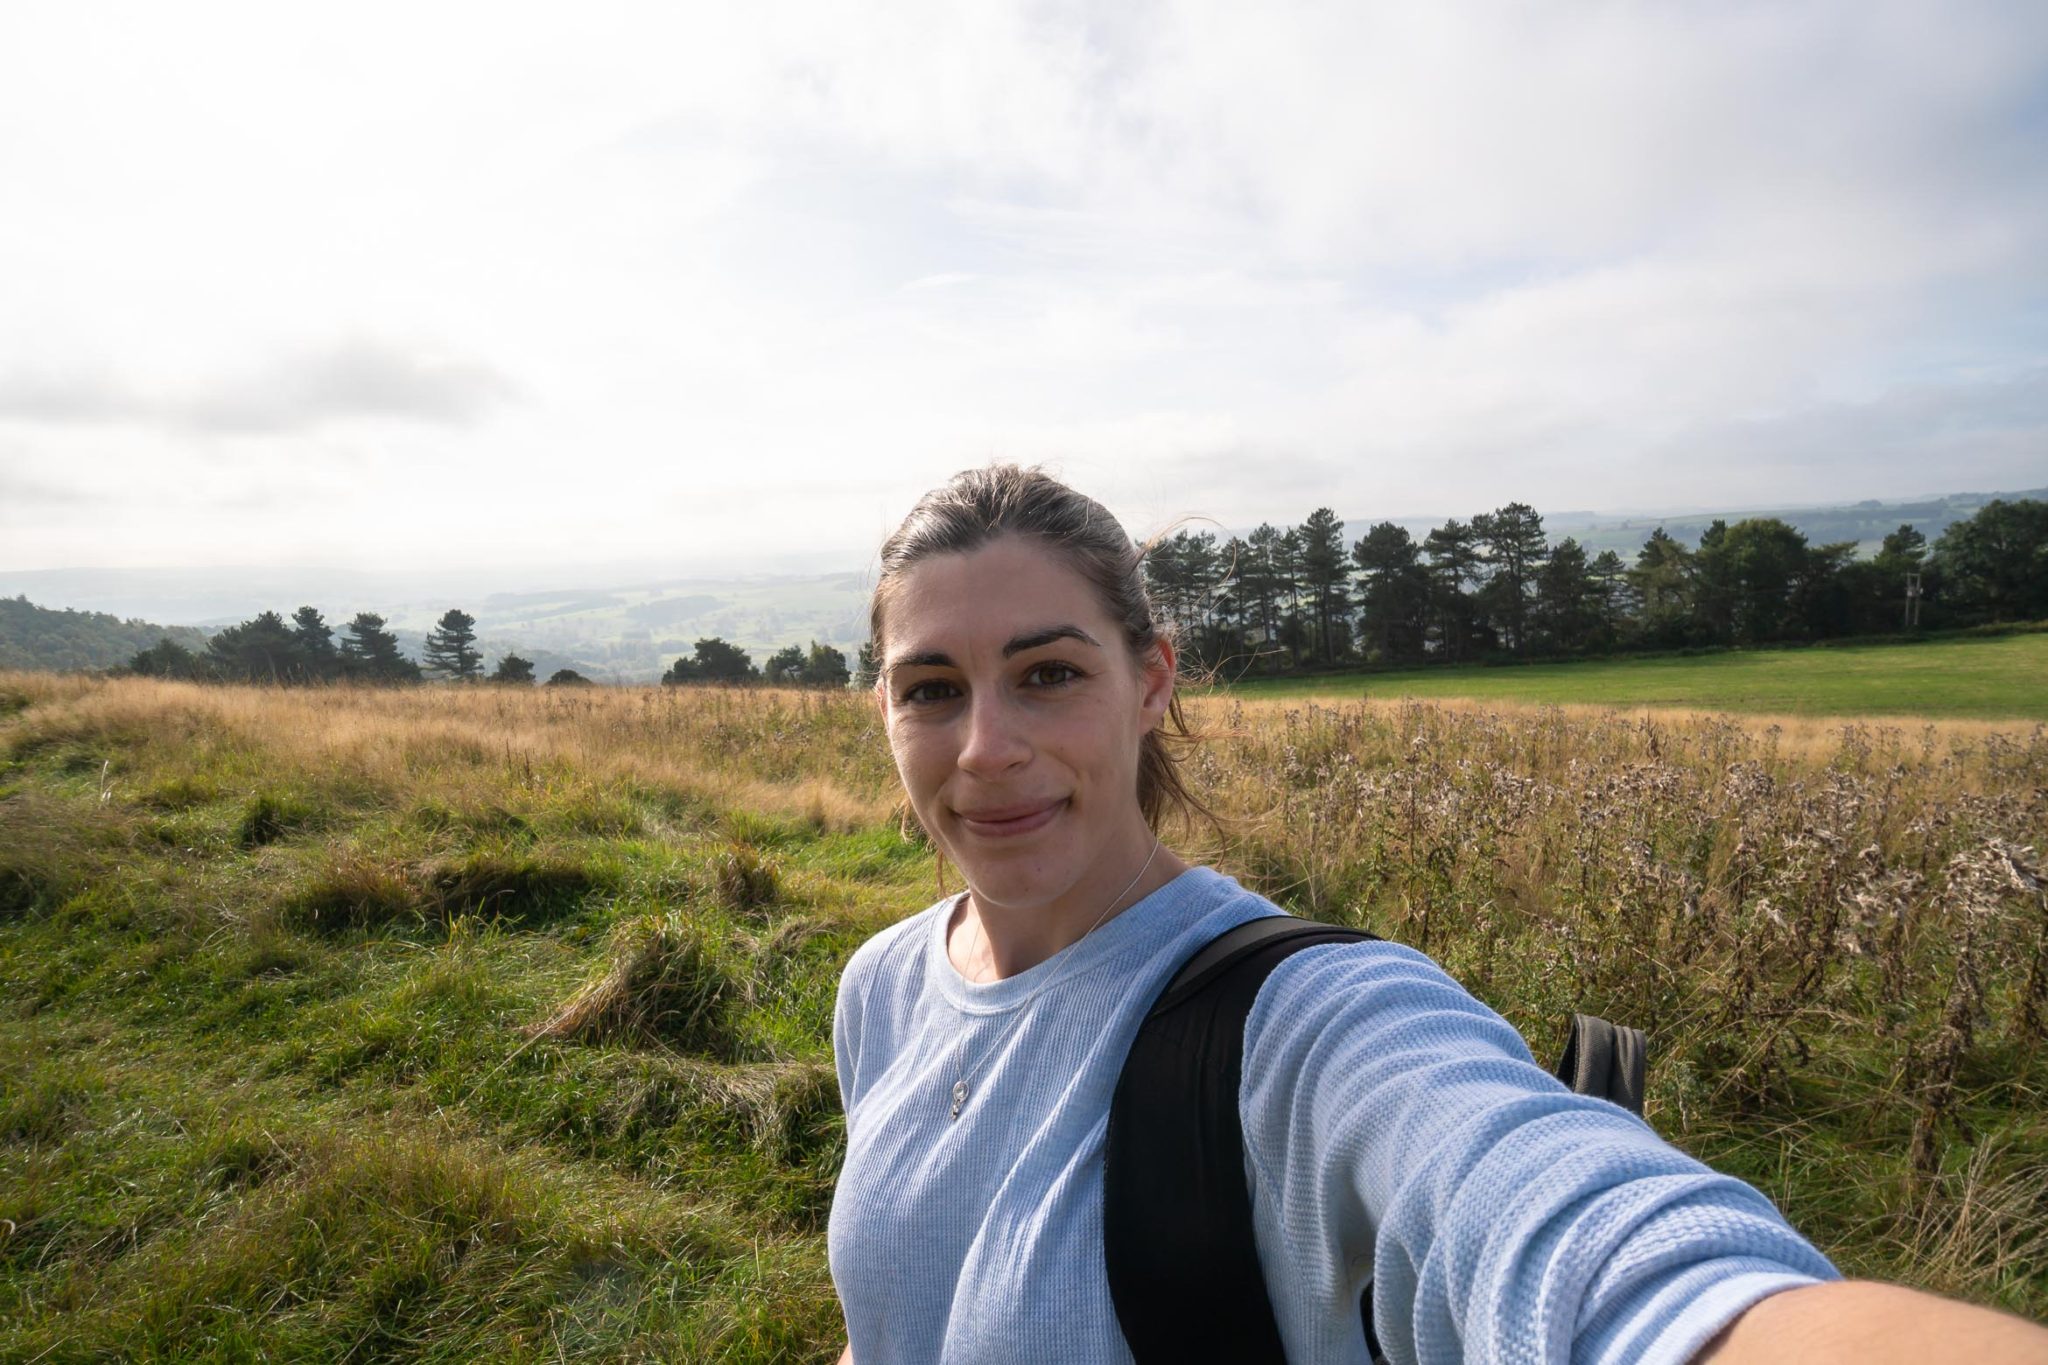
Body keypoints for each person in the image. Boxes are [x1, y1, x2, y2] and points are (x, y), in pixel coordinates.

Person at [825, 463, 2048, 1364]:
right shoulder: (881, 987)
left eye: (1048, 674)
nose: (985, 750)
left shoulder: (1301, 1028)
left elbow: (1568, 1232)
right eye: (931, 689)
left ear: (1149, 684)